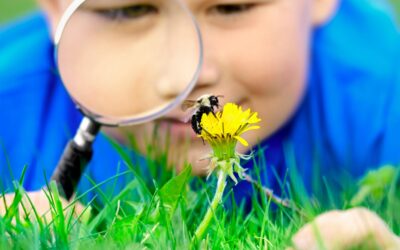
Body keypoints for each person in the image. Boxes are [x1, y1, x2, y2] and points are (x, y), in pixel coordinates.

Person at [1, 0, 400, 248]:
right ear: (55, 7)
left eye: (232, 7)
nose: (182, 81)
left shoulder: (383, 97)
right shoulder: (10, 101)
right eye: (128, 10)